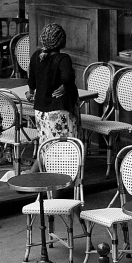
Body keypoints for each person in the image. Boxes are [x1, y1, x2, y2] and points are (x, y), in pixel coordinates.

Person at [25, 23, 79, 172]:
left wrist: (30, 92)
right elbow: (67, 77)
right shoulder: (63, 59)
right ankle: (57, 186)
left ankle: (34, 178)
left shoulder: (37, 56)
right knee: (62, 149)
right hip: (59, 111)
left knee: (46, 146)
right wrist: (65, 86)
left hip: (41, 111)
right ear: (61, 41)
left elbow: (32, 81)